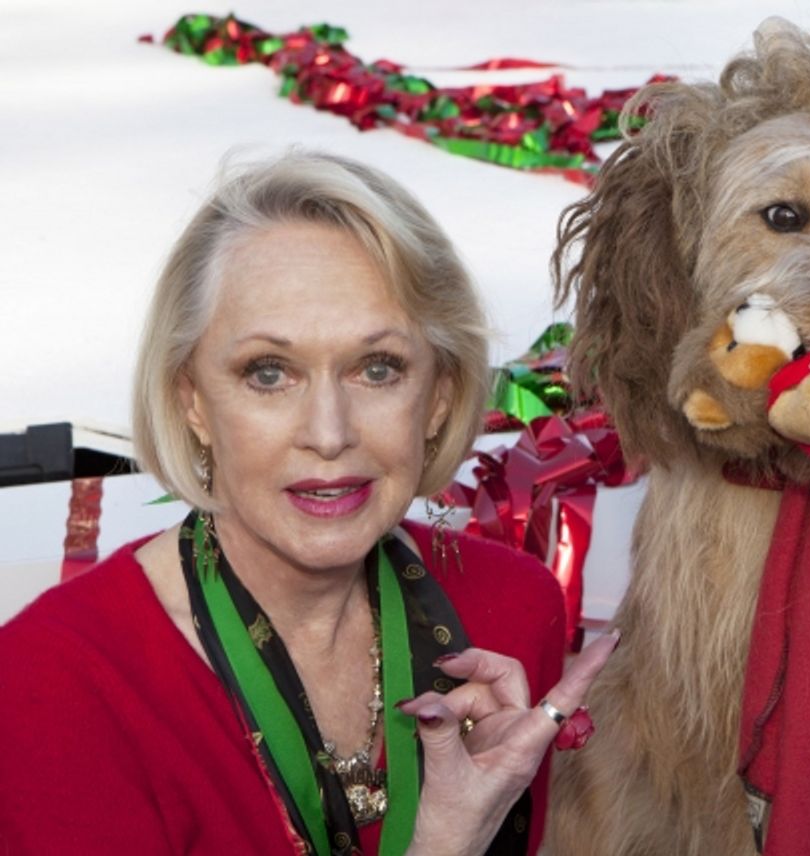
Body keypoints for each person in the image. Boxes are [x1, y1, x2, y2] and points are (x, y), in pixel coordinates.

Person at [0, 150, 617, 855]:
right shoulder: (50, 684)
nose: (329, 434)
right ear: (192, 401)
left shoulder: (510, 606)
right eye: (269, 373)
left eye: (377, 368)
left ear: (439, 398)